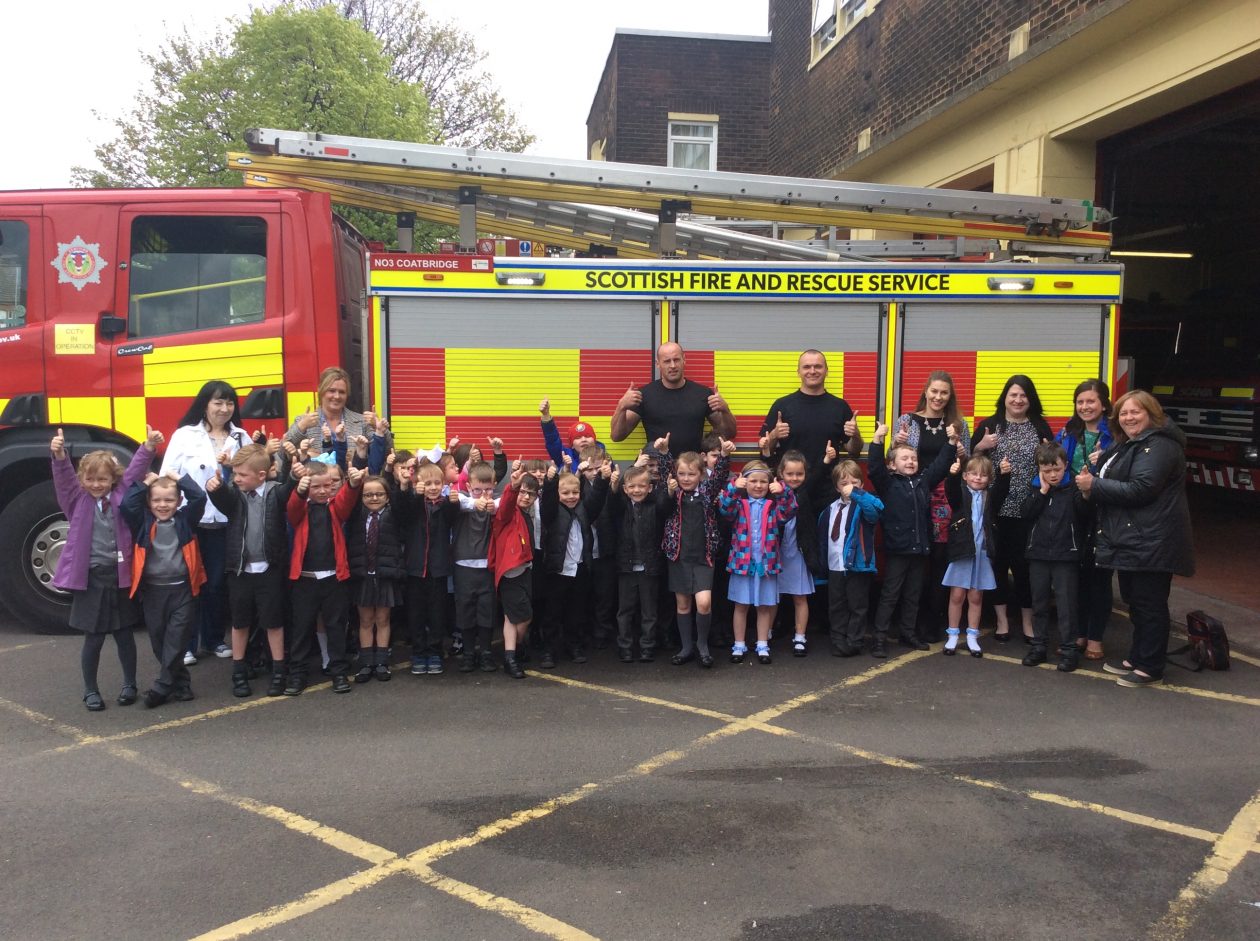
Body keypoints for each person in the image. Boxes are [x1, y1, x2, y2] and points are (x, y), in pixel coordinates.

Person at [1076, 390, 1194, 688]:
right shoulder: (1130, 443)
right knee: (1135, 602)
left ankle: (1150, 666)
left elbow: (1142, 488)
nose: (1128, 418)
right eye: (1124, 413)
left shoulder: (1161, 446)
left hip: (1153, 539)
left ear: (1151, 414)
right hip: (1134, 538)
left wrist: (1094, 485)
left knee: (1149, 604)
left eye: (1135, 412)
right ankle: (1138, 657)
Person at [50, 427, 158, 711]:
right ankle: (90, 690)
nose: (96, 484)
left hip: (119, 577)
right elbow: (63, 480)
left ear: (113, 479)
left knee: (124, 634)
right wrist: (59, 456)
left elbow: (135, 470)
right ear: (82, 480)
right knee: (94, 638)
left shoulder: (122, 494)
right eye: (90, 479)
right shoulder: (76, 500)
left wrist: (148, 447)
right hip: (92, 579)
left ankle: (129, 684)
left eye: (102, 479)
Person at [161, 380, 250, 664]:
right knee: (190, 583)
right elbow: (167, 473)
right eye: (218, 402)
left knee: (216, 584)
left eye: (229, 403)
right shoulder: (185, 435)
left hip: (226, 522)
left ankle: (213, 640)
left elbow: (252, 473)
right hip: (192, 521)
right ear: (205, 404)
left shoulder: (241, 437)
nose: (224, 409)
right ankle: (187, 644)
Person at [204, 443, 293, 698]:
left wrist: (294, 472)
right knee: (240, 622)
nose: (237, 479)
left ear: (262, 475)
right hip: (240, 571)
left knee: (273, 622)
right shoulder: (235, 495)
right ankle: (239, 672)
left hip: (270, 569)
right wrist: (215, 488)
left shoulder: (275, 493)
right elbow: (224, 499)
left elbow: (290, 488)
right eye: (235, 474)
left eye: (242, 474)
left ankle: (279, 672)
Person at [867, 420, 960, 657]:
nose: (910, 462)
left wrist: (951, 442)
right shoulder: (887, 483)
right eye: (904, 458)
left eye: (913, 458)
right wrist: (877, 440)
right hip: (898, 549)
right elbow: (874, 468)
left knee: (913, 594)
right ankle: (879, 638)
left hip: (920, 549)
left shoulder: (923, 482)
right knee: (890, 594)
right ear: (892, 465)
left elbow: (940, 465)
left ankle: (907, 633)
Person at [972, 374, 1054, 642]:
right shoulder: (989, 425)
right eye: (1013, 395)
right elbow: (971, 465)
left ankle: (1028, 622)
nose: (1018, 400)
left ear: (1031, 400)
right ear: (1004, 398)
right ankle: (1002, 621)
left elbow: (1052, 463)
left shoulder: (1040, 427)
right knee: (997, 565)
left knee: (1025, 569)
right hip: (995, 509)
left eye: (1023, 395)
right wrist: (980, 447)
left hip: (1030, 510)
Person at [895, 371, 971, 642]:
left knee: (940, 560)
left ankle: (933, 620)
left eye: (944, 393)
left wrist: (962, 452)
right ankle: (909, 621)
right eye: (934, 391)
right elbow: (896, 457)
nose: (938, 397)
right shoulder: (907, 420)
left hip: (946, 499)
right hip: (915, 497)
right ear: (926, 391)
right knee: (915, 561)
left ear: (950, 396)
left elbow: (966, 463)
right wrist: (897, 443)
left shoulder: (959, 424)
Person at [122, 469, 208, 707]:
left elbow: (199, 497)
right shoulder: (143, 521)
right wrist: (146, 482)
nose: (162, 505)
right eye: (157, 500)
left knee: (176, 639)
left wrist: (179, 479)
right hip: (153, 591)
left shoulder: (185, 519)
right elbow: (127, 505)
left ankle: (161, 686)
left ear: (179, 501)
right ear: (148, 501)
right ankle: (181, 685)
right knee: (159, 642)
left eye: (169, 500)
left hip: (183, 589)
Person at [284, 458, 362, 696]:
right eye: (316, 486)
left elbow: (347, 500)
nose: (322, 491)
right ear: (307, 486)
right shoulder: (301, 509)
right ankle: (297, 674)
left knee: (336, 628)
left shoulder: (335, 508)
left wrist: (353, 484)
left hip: (334, 578)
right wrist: (299, 490)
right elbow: (292, 508)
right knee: (301, 628)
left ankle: (338, 672)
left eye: (327, 486)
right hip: (305, 579)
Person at [659, 434, 733, 667]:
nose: (686, 478)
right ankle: (686, 647)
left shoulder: (707, 492)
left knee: (703, 603)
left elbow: (720, 475)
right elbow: (666, 473)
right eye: (681, 474)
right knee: (683, 604)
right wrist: (664, 453)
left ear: (701, 475)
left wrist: (724, 455)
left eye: (691, 474)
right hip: (678, 556)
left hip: (703, 558)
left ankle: (702, 645)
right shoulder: (674, 494)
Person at [1056, 379, 1114, 660]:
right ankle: (1078, 633)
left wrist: (1106, 457)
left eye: (1091, 401)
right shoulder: (1067, 432)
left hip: (1104, 511)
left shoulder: (1115, 434)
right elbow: (1054, 464)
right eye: (1080, 402)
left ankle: (1095, 637)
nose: (1085, 406)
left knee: (1099, 576)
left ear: (1104, 404)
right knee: (1074, 575)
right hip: (1073, 508)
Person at [719, 460, 797, 665]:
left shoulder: (773, 506)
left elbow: (789, 511)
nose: (758, 485)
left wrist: (783, 491)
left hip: (766, 564)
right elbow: (725, 509)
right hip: (742, 564)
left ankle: (762, 644)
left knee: (764, 606)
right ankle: (739, 644)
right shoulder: (739, 504)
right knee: (741, 605)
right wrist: (733, 488)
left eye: (763, 481)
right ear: (745, 482)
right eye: (753, 481)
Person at [1022, 442, 1088, 672]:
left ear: (1065, 465)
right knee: (1039, 603)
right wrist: (1041, 493)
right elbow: (1026, 513)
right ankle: (1038, 646)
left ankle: (1069, 650)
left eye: (1057, 469)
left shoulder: (1074, 489)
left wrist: (1086, 493)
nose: (1052, 475)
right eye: (1046, 470)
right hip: (1038, 553)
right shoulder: (1035, 487)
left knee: (1066, 605)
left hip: (1065, 554)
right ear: (1039, 469)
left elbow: (1086, 513)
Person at [540, 461, 610, 665]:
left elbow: (597, 499)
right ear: (558, 494)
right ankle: (549, 650)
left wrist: (602, 480)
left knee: (576, 611)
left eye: (575, 492)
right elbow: (548, 502)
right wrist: (551, 482)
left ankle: (574, 645)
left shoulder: (584, 509)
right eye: (565, 493)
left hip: (579, 568)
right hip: (558, 570)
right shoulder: (552, 512)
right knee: (552, 612)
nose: (571, 496)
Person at [610, 342, 736, 455]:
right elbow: (617, 436)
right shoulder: (644, 395)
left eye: (676, 360)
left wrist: (725, 410)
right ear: (658, 364)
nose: (672, 365)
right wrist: (621, 406)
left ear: (684, 360)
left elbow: (729, 433)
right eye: (667, 361)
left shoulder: (702, 394)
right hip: (658, 468)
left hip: (691, 468)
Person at [941, 454, 1008, 658]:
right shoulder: (960, 495)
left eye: (983, 475)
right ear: (965, 476)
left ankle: (972, 636)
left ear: (989, 479)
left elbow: (1001, 492)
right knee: (957, 595)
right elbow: (951, 491)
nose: (978, 478)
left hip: (982, 553)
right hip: (963, 551)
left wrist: (1005, 475)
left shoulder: (990, 497)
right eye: (973, 474)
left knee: (976, 597)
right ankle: (953, 635)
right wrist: (952, 475)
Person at [818, 459, 883, 657]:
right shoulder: (830, 509)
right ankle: (838, 640)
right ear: (837, 487)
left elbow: (875, 511)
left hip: (857, 565)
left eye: (855, 483)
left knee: (857, 605)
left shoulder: (863, 506)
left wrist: (857, 494)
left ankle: (855, 641)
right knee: (837, 605)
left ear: (862, 484)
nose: (849, 487)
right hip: (835, 565)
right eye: (844, 483)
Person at [609, 461, 671, 664]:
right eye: (632, 486)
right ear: (625, 489)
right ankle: (625, 647)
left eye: (641, 486)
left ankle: (647, 646)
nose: (637, 490)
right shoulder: (621, 507)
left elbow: (666, 506)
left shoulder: (655, 506)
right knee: (625, 610)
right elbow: (612, 501)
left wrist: (669, 491)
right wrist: (613, 485)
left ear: (650, 488)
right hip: (626, 567)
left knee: (649, 611)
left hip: (649, 567)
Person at [759, 349, 863, 469]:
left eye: (818, 366)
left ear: (826, 371)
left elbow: (854, 451)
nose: (812, 371)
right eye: (806, 367)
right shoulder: (782, 405)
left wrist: (855, 435)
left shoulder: (840, 407)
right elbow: (764, 452)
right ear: (798, 372)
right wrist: (774, 435)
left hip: (828, 479)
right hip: (792, 479)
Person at [346, 474, 405, 683]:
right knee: (365, 620)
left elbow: (403, 504)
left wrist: (401, 483)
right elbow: (349, 497)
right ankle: (365, 663)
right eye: (368, 494)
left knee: (382, 619)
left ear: (387, 497)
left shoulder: (394, 514)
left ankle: (381, 662)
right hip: (363, 574)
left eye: (379, 494)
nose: (373, 498)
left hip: (385, 575)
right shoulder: (356, 515)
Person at [775, 448, 830, 657]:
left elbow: (816, 477)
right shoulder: (774, 491)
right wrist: (766, 450)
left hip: (799, 552)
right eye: (789, 474)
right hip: (776, 552)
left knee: (800, 597)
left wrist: (826, 461)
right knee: (773, 596)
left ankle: (800, 636)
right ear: (781, 473)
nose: (794, 478)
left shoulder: (805, 492)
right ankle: (767, 631)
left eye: (799, 474)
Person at [489, 465, 541, 679]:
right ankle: (512, 654)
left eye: (531, 494)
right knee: (519, 617)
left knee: (517, 616)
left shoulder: (529, 514)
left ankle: (513, 652)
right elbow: (506, 504)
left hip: (525, 569)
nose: (526, 497)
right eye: (523, 492)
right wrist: (513, 487)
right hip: (510, 571)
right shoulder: (508, 513)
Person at [448, 462, 501, 673]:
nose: (483, 495)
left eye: (488, 489)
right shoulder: (462, 500)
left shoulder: (494, 504)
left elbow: (504, 502)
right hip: (463, 565)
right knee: (465, 610)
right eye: (478, 489)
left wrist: (490, 504)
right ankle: (469, 653)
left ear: (494, 485)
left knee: (487, 610)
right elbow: (457, 501)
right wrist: (474, 502)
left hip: (488, 566)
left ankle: (486, 652)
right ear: (469, 486)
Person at [284, 366, 392, 466]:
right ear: (321, 391)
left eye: (342, 392)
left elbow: (386, 454)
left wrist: (380, 429)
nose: (337, 396)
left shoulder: (362, 422)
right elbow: (282, 454)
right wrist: (301, 426)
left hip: (353, 479)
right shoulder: (303, 421)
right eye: (331, 391)